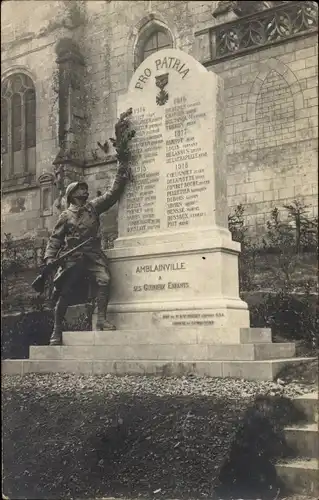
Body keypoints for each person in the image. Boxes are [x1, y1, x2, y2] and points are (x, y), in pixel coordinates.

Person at [44, 166, 129, 345]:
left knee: (104, 279)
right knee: (65, 294)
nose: (85, 191)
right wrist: (50, 258)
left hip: (92, 254)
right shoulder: (66, 216)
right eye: (81, 189)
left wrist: (121, 174)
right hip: (73, 257)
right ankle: (56, 330)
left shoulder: (93, 208)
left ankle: (101, 319)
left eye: (85, 189)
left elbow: (111, 195)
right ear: (73, 193)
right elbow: (55, 239)